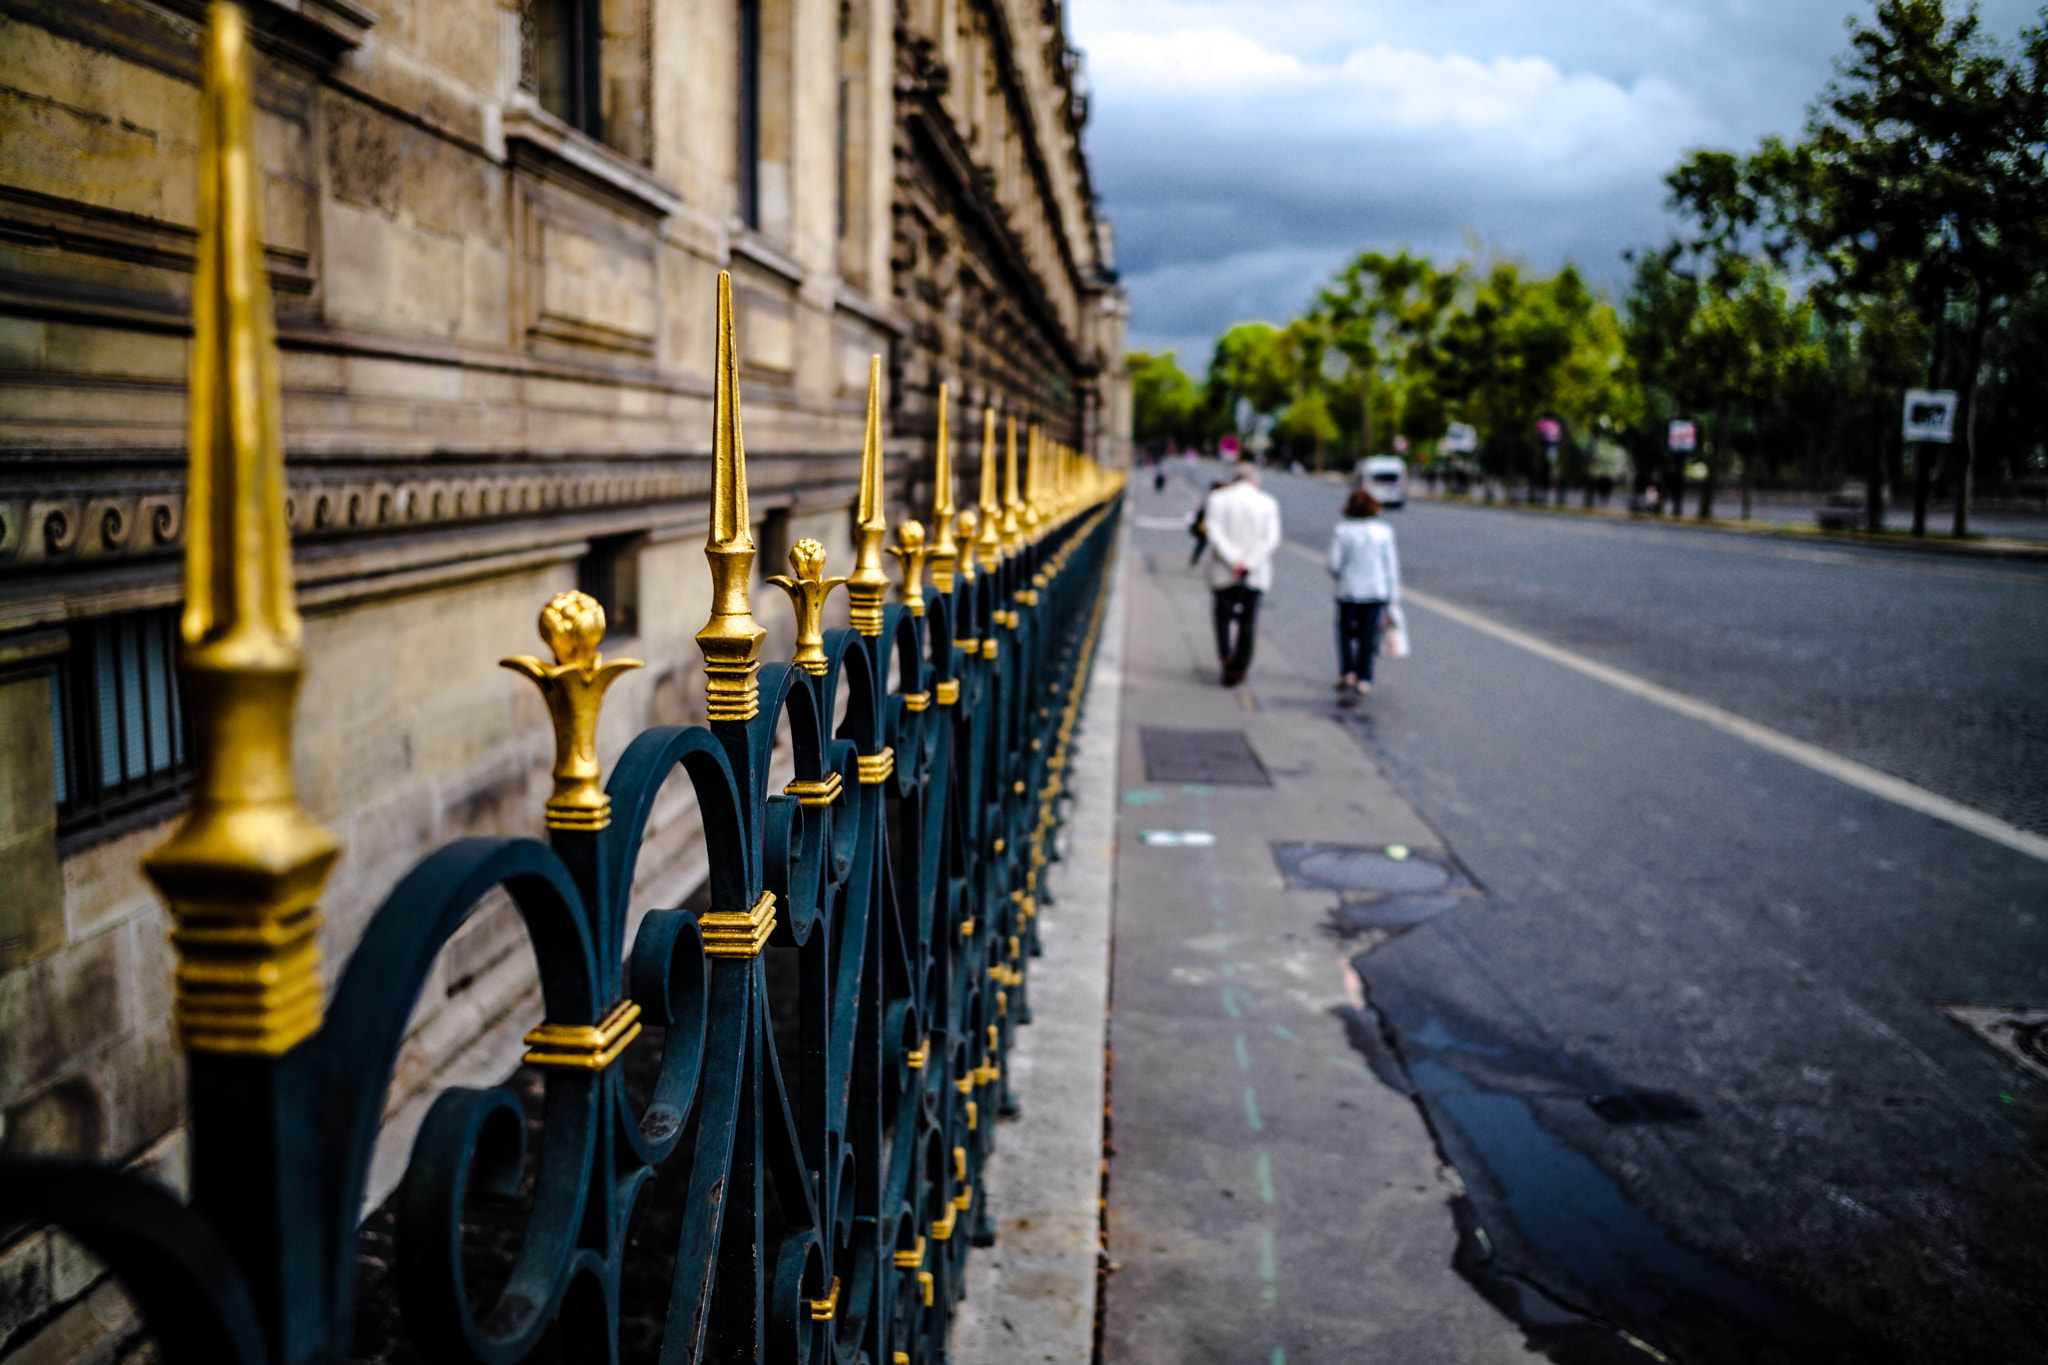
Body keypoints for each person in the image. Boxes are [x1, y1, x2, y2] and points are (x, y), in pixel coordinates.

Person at [1203, 466, 1282, 686]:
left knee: (1222, 619)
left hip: (1223, 571)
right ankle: (1240, 666)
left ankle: (1226, 656)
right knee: (1248, 622)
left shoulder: (1217, 499)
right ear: (1254, 480)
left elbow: (1213, 532)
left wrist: (1233, 560)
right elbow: (1271, 539)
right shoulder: (1268, 502)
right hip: (1254, 573)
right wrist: (1249, 563)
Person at [1327, 486, 1400, 697]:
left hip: (1348, 590)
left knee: (1345, 632)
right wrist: (1393, 596)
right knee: (1368, 636)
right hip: (1376, 591)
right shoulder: (1384, 531)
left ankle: (1347, 671)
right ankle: (1364, 677)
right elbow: (1391, 567)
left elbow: (1333, 563)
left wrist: (1344, 574)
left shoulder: (1342, 530)